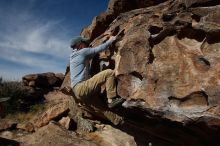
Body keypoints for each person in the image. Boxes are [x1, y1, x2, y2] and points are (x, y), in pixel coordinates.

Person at [65, 35, 124, 108]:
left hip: (77, 91)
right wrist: (111, 40)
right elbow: (97, 50)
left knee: (98, 88)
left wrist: (102, 41)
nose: (87, 45)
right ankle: (111, 100)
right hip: (81, 87)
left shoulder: (74, 55)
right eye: (85, 43)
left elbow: (92, 54)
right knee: (109, 72)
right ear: (80, 44)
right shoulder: (82, 52)